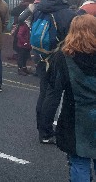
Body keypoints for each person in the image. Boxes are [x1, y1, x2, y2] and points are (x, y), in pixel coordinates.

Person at [47, 15, 96, 181]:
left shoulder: (62, 57)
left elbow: (53, 90)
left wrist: (45, 122)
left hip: (75, 116)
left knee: (79, 161)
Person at [33, 0, 77, 144]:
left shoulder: (40, 7)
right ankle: (46, 132)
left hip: (41, 54)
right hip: (58, 56)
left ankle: (41, 127)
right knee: (54, 95)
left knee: (44, 92)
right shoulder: (67, 13)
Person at [10, 0, 34, 75]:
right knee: (22, 53)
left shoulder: (22, 10)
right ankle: (21, 68)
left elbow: (13, 12)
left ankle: (23, 67)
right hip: (24, 40)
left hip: (23, 39)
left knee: (22, 53)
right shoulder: (32, 8)